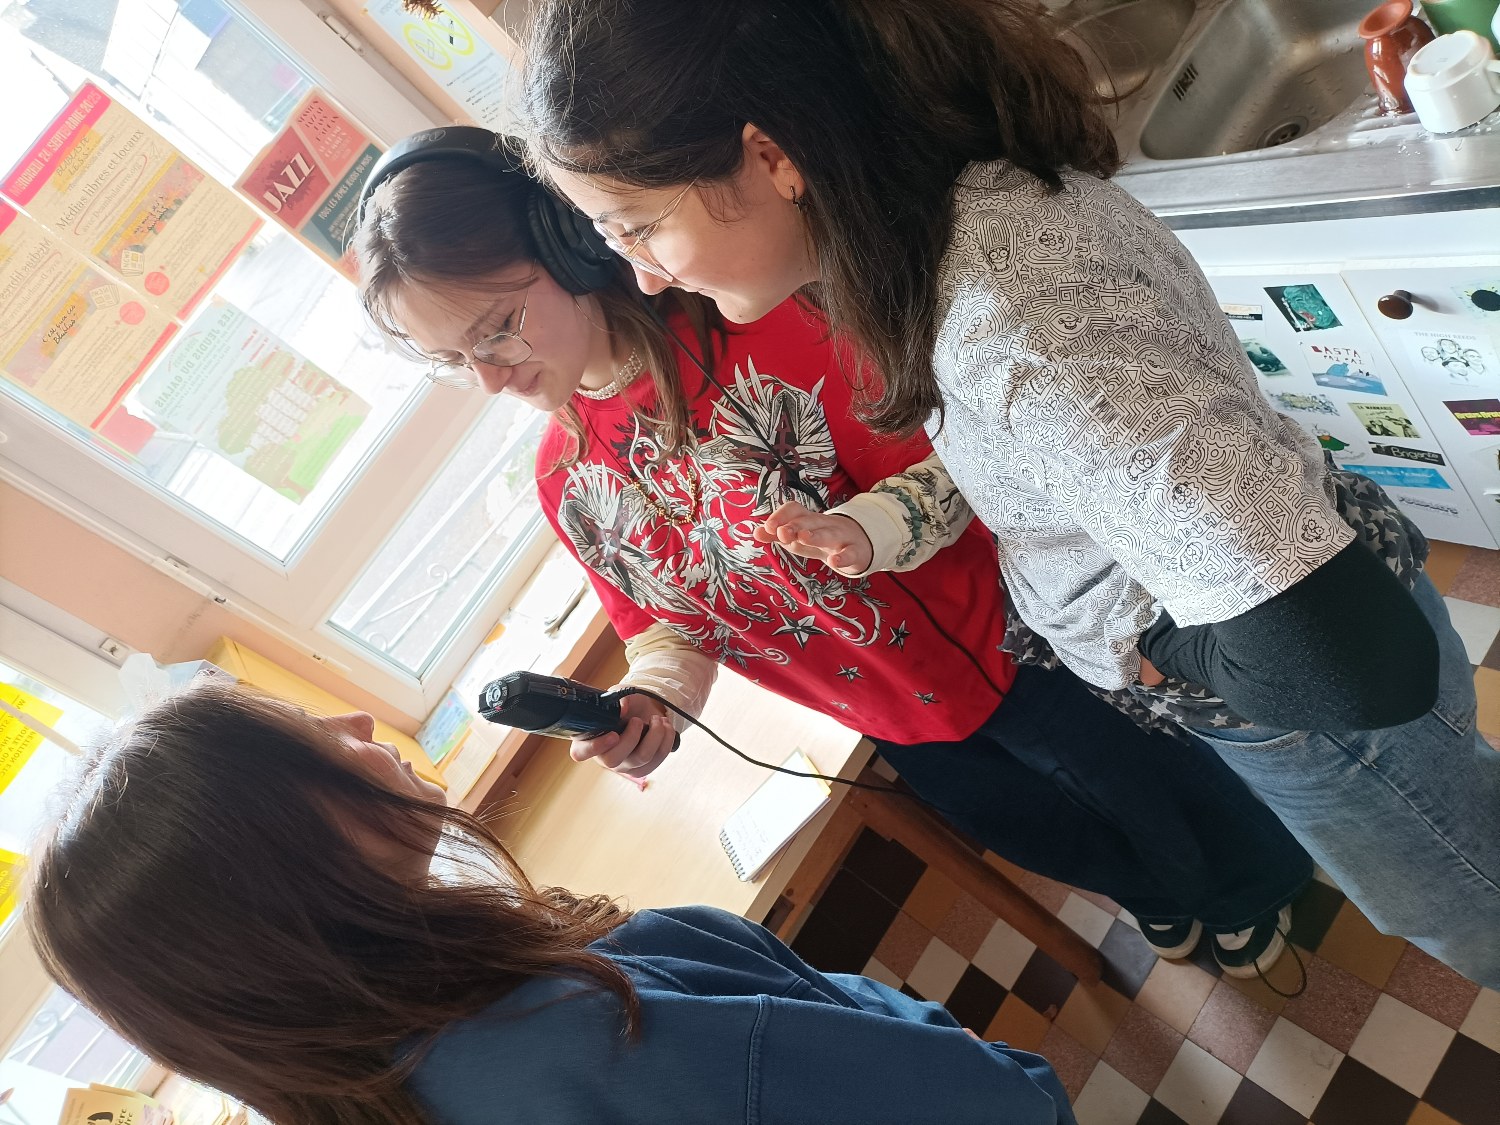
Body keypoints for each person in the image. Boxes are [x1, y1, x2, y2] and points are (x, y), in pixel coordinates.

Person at [517, 0, 1500, 985]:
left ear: (770, 157)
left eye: (639, 227)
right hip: (1281, 609)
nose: (644, 278)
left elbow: (1359, 666)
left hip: (1310, 719)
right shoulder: (948, 209)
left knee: (1467, 903)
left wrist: (1152, 653)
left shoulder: (1013, 333)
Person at [350, 127, 1312, 976]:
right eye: (452, 360)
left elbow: (964, 464)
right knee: (1047, 833)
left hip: (1015, 649)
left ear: (569, 237)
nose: (489, 377)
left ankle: (1250, 886)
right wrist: (656, 696)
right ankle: (1162, 891)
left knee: (1163, 795)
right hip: (889, 713)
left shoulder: (770, 327)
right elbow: (664, 623)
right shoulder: (566, 477)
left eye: (498, 329)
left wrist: (869, 527)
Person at [25, 679, 1078, 1125]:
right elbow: (1006, 1104)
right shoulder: (595, 1022)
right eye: (311, 736)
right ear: (285, 859)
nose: (357, 724)